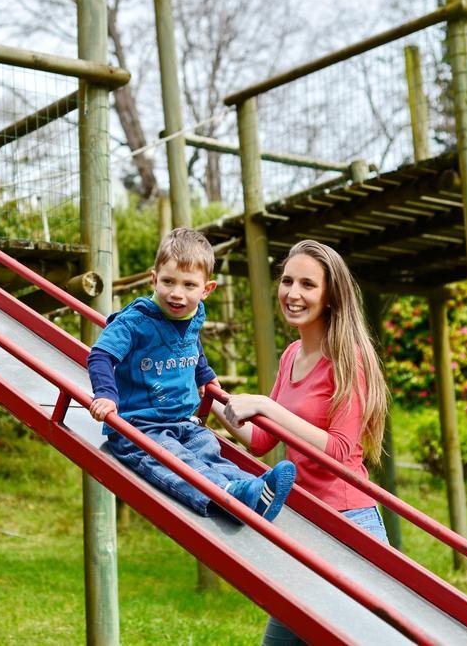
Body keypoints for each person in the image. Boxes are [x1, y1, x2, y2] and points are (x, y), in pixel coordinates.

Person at [213, 239, 389, 646]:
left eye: (308, 285)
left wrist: (264, 406)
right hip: (304, 520)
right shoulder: (292, 354)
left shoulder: (350, 357)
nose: (293, 293)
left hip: (347, 523)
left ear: (330, 296)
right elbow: (259, 439)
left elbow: (340, 451)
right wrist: (211, 397)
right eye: (288, 281)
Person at [87, 228, 296, 522]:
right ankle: (231, 497)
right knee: (176, 461)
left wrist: (204, 375)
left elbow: (191, 344)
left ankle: (253, 487)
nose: (176, 293)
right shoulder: (135, 322)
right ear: (154, 278)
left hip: (184, 420)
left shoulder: (194, 313)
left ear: (206, 289)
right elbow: (100, 355)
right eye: (169, 281)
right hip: (139, 428)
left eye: (188, 285)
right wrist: (106, 395)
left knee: (208, 450)